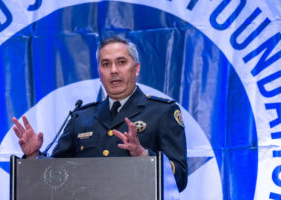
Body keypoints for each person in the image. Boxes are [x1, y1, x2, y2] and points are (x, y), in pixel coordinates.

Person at [12, 36, 188, 192]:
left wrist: (143, 155)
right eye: (106, 64)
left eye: (121, 62)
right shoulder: (80, 117)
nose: (113, 70)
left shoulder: (162, 111)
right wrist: (34, 155)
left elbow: (179, 178)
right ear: (99, 73)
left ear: (136, 68)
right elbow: (56, 176)